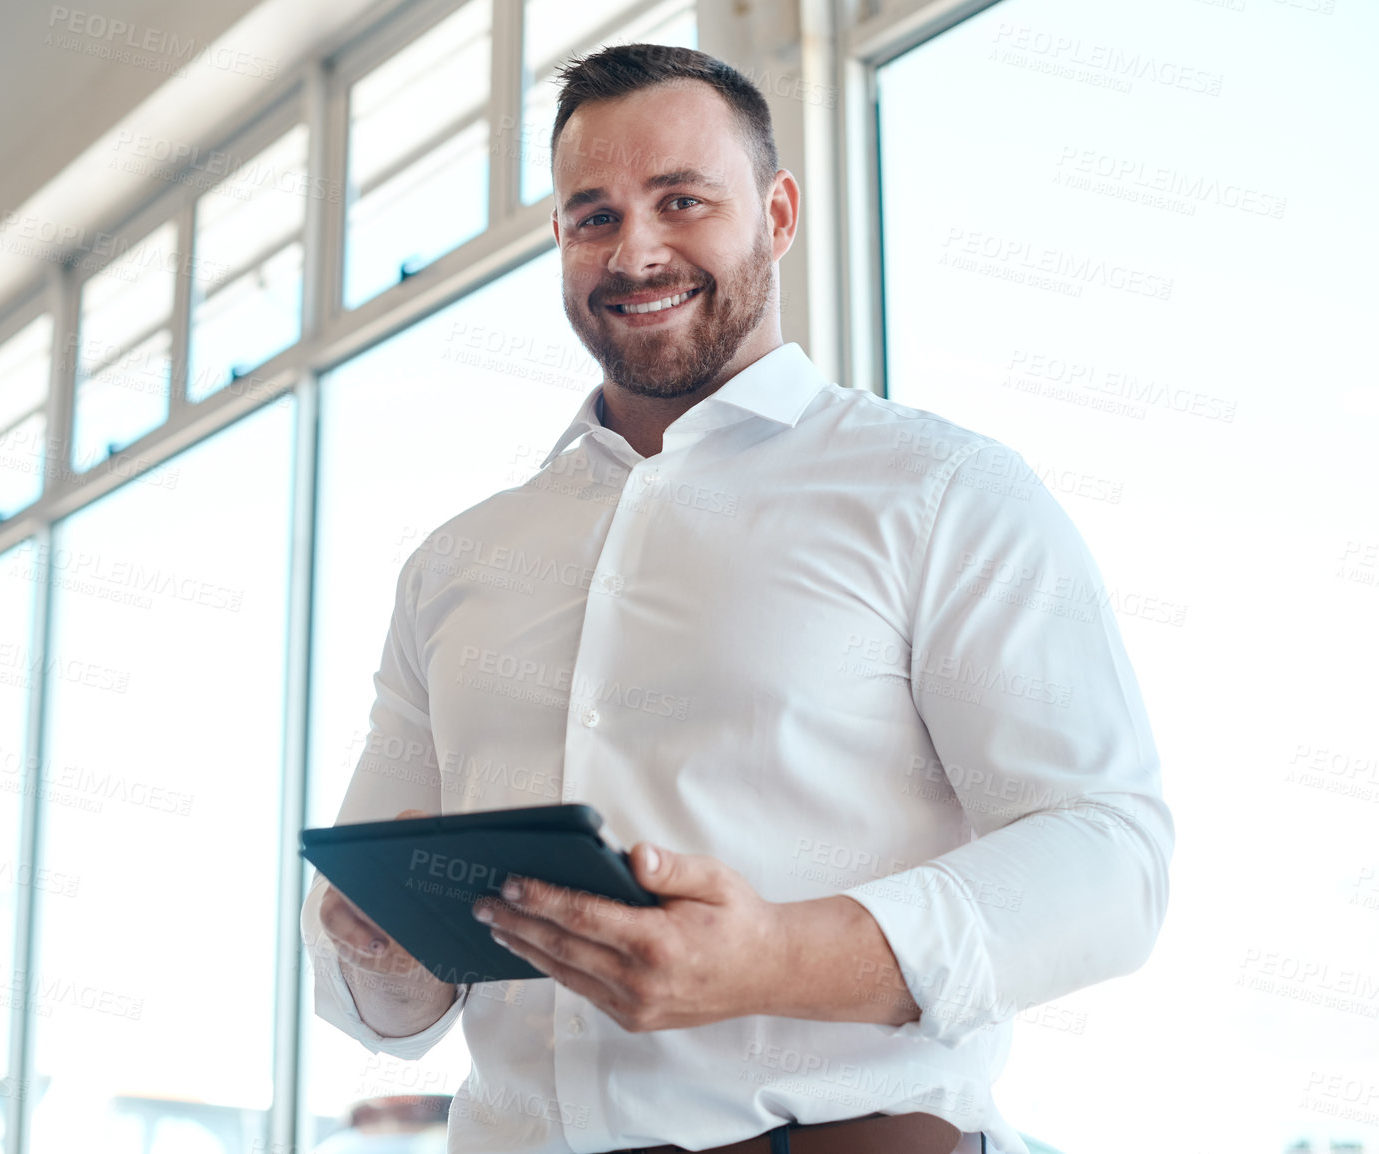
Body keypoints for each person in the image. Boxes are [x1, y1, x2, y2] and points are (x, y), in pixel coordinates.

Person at [301, 42, 1172, 1154]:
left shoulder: (943, 491)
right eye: (593, 215)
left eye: (681, 200)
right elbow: (381, 991)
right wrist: (375, 940)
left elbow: (1107, 856)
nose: (636, 249)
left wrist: (771, 956)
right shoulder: (455, 561)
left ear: (778, 212)